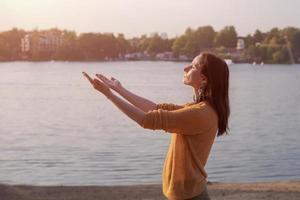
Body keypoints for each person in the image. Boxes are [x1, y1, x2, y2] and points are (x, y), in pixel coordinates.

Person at [82, 51, 230, 200]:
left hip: (189, 195)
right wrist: (119, 89)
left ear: (203, 80)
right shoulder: (198, 109)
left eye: (192, 66)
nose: (185, 68)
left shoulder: (201, 113)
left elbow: (147, 120)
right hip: (186, 193)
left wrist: (109, 95)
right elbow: (156, 108)